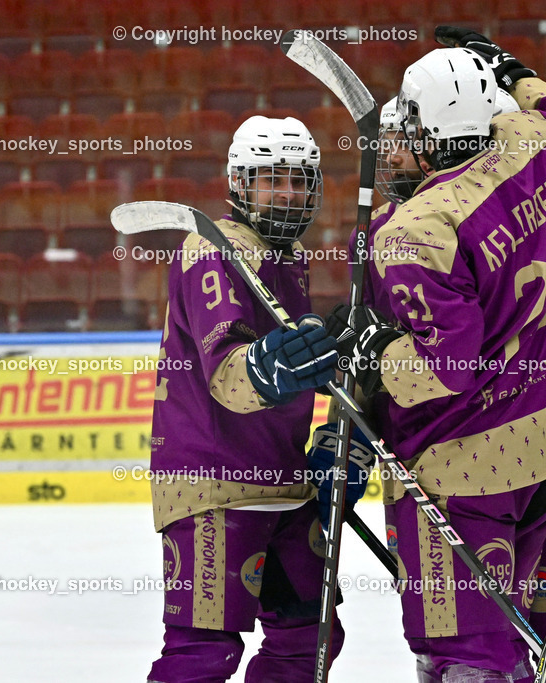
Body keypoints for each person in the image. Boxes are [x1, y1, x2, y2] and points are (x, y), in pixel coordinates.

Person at [327, 31, 546, 683]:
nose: (392, 148)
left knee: (468, 661)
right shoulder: (537, 156)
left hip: (458, 468)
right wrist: (513, 68)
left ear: (430, 131)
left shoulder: (413, 230)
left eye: (404, 129)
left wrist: (374, 355)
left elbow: (446, 365)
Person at [146, 115, 344, 683]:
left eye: (297, 179)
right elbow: (229, 375)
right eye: (269, 178)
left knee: (312, 637)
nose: (285, 192)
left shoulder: (287, 256)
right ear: (237, 183)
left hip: (282, 479)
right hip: (213, 481)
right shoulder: (211, 250)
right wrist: (269, 366)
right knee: (203, 652)